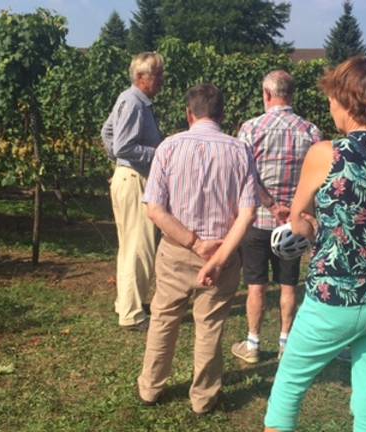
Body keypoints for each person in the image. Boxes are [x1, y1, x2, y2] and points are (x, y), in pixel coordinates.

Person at [263, 56, 366, 432]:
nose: (330, 105)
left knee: (288, 389)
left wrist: (313, 229)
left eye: (333, 97)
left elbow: (298, 219)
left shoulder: (326, 153)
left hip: (334, 296)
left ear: (346, 101)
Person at [137, 84, 259, 415]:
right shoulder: (240, 150)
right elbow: (248, 213)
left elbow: (155, 208)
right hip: (223, 253)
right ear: (222, 115)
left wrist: (193, 242)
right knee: (210, 324)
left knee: (163, 318)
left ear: (189, 114)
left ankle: (150, 387)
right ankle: (204, 397)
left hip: (176, 251)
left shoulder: (168, 147)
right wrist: (217, 254)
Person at [231, 70, 322, 364]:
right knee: (288, 284)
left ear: (267, 95)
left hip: (258, 219)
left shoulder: (250, 129)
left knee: (256, 285)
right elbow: (318, 178)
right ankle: (285, 342)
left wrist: (270, 204)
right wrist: (296, 207)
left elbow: (244, 174)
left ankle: (253, 342)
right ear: (292, 94)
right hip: (293, 223)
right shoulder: (310, 132)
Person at [101, 52, 165, 330]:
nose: (162, 81)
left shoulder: (133, 101)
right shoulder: (134, 102)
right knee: (139, 248)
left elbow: (107, 133)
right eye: (158, 75)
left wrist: (119, 164)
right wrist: (160, 153)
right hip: (135, 179)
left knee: (130, 246)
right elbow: (123, 146)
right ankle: (133, 315)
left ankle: (127, 303)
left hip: (128, 176)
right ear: (141, 77)